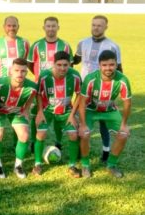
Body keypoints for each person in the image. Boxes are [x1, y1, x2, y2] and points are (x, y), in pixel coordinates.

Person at [73, 15, 122, 163]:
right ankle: (80, 151)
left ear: (106, 27)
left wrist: (114, 94)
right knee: (80, 120)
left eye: (100, 25)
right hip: (83, 88)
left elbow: (119, 70)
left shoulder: (113, 46)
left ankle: (106, 151)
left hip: (102, 89)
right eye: (94, 25)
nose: (96, 27)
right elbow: (76, 60)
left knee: (103, 122)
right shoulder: (83, 42)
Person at [78, 50, 131, 178]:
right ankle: (85, 165)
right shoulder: (91, 79)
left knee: (124, 134)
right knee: (84, 134)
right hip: (91, 110)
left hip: (110, 110)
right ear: (99, 65)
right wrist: (83, 124)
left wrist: (124, 124)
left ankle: (111, 165)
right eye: (105, 65)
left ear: (116, 64)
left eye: (111, 65)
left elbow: (127, 103)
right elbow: (82, 102)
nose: (108, 68)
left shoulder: (122, 80)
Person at [27, 16, 74, 152]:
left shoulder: (65, 46)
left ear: (58, 27)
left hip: (60, 86)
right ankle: (34, 140)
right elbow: (30, 64)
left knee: (59, 116)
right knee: (37, 115)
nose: (51, 28)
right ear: (44, 28)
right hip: (41, 87)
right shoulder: (36, 45)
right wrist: (40, 76)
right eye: (48, 26)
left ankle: (58, 141)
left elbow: (69, 65)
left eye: (54, 26)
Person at [34, 51, 81, 177]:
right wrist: (40, 112)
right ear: (53, 64)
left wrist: (72, 114)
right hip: (48, 110)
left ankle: (72, 165)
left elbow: (79, 95)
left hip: (66, 111)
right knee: (41, 133)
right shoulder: (44, 76)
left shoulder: (75, 76)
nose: (62, 68)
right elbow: (38, 93)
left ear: (70, 65)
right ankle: (37, 163)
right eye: (59, 65)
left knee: (73, 135)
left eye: (65, 65)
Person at [0, 58, 37, 179]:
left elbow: (33, 95)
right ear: (11, 71)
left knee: (24, 136)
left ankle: (18, 165)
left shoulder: (31, 87)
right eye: (16, 70)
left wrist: (27, 109)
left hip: (17, 112)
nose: (19, 74)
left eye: (23, 71)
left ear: (27, 72)